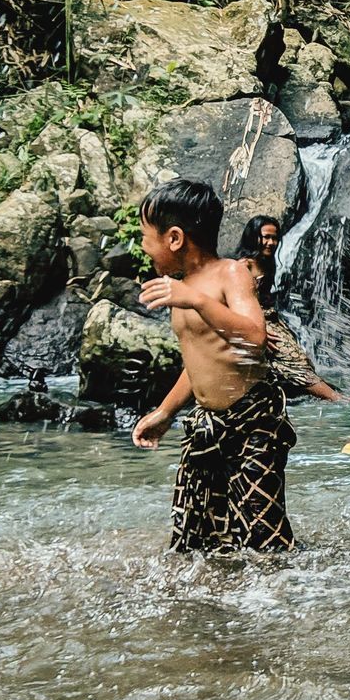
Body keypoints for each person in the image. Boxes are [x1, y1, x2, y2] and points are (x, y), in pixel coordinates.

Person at [131, 180, 298, 553]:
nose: (143, 247)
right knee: (195, 531)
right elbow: (199, 363)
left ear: (174, 238)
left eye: (146, 237)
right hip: (207, 423)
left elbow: (254, 338)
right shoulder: (180, 289)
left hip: (254, 421)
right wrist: (165, 413)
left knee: (262, 529)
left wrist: (196, 300)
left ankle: (284, 597)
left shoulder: (232, 273)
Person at [233, 213, 342, 402]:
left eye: (274, 238)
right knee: (292, 358)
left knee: (300, 358)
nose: (271, 242)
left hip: (272, 319)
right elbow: (232, 303)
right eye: (265, 237)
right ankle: (336, 398)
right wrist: (254, 332)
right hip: (254, 322)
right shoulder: (243, 266)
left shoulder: (268, 262)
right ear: (254, 237)